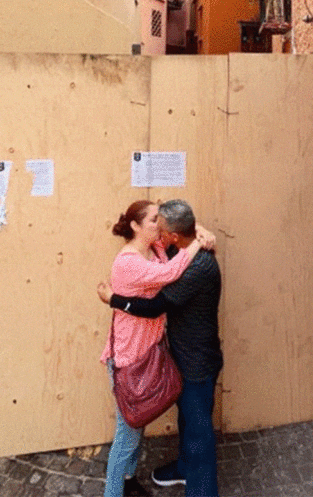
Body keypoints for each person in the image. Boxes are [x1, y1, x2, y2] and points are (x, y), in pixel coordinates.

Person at [98, 199, 223, 497]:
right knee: (135, 432)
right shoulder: (155, 252)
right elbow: (171, 259)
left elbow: (155, 306)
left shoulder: (194, 264)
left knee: (197, 431)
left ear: (174, 236)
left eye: (162, 226)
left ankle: (202, 491)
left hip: (195, 360)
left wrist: (114, 299)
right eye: (154, 221)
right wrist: (197, 234)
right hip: (137, 358)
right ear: (137, 226)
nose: (159, 230)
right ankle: (132, 484)